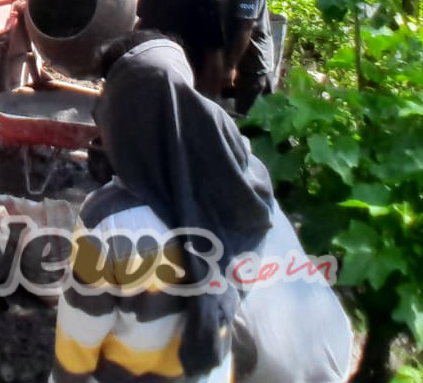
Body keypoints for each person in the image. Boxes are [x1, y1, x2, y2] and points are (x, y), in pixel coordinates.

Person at [53, 32, 352, 383]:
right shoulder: (245, 173)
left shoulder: (108, 219)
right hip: (324, 355)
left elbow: (76, 349)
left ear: (118, 109)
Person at [215, 0, 275, 115]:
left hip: (252, 64)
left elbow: (245, 28)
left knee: (249, 119)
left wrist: (231, 66)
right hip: (238, 59)